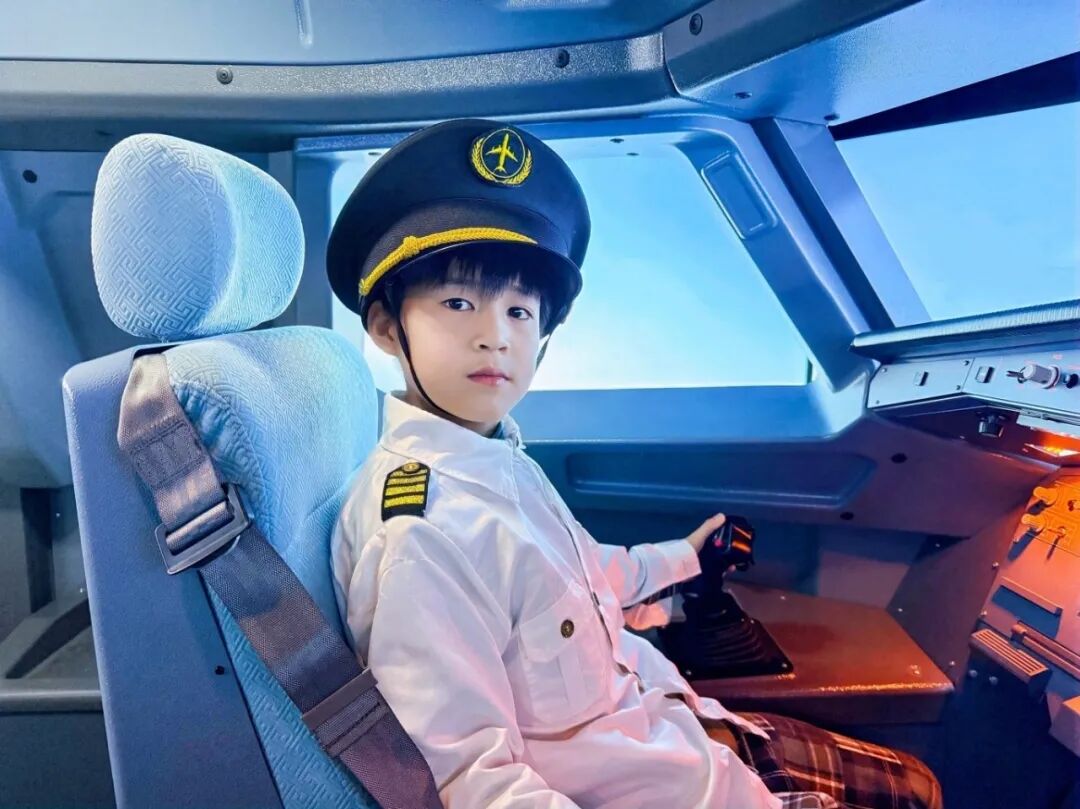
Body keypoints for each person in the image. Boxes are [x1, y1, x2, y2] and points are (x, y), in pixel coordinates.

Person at [326, 118, 942, 809]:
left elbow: (587, 575)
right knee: (917, 794)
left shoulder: (498, 456)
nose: (494, 336)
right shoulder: (422, 536)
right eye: (457, 302)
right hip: (655, 787)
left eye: (520, 311)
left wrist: (683, 556)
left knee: (918, 782)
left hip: (677, 735)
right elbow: (468, 780)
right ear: (387, 328)